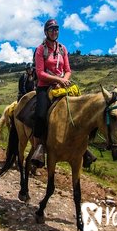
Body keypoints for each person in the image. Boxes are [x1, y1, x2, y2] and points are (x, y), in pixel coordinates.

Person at [30, 19, 96, 168]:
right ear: (46, 32)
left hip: (62, 86)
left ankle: (83, 148)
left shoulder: (62, 49)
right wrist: (57, 80)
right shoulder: (41, 49)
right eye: (52, 29)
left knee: (79, 112)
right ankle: (39, 147)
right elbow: (40, 73)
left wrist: (64, 80)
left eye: (56, 29)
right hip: (45, 87)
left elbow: (68, 70)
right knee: (40, 115)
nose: (55, 32)